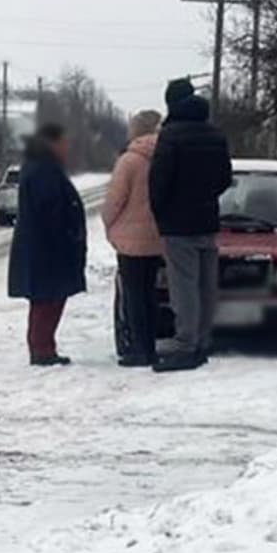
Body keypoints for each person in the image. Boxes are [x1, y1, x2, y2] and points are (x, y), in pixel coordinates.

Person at [148, 78, 234, 373]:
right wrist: (205, 196)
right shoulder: (216, 134)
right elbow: (224, 178)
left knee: (183, 285)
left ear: (171, 103)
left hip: (178, 224)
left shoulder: (170, 136)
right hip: (207, 220)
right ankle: (203, 336)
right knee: (205, 283)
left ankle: (185, 342)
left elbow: (158, 182)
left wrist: (162, 214)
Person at [8, 123, 87, 366]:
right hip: (47, 249)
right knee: (46, 300)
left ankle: (44, 347)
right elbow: (50, 209)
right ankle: (42, 349)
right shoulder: (44, 169)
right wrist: (67, 234)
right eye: (64, 142)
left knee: (47, 299)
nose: (67, 147)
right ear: (52, 143)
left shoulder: (42, 166)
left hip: (44, 247)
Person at [103, 110, 164, 367]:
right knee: (150, 293)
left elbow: (114, 200)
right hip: (156, 237)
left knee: (133, 295)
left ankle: (139, 348)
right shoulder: (164, 156)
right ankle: (151, 344)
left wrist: (109, 223)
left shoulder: (129, 161)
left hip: (130, 239)